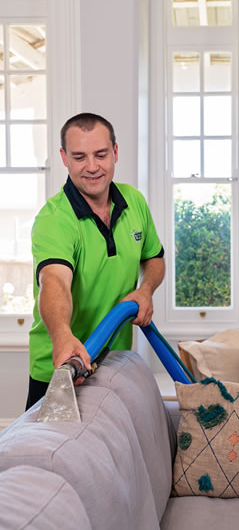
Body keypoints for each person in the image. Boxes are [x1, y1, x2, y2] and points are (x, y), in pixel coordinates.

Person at [27, 113, 165, 409]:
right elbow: (54, 281)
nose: (92, 167)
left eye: (100, 154)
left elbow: (154, 258)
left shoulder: (134, 202)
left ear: (115, 152)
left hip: (112, 363)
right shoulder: (54, 220)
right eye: (79, 157)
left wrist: (145, 290)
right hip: (62, 365)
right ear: (64, 158)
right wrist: (63, 336)